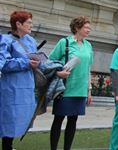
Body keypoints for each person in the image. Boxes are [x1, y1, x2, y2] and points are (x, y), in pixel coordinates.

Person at [48, 16, 94, 150]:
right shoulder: (65, 42)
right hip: (65, 88)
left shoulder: (88, 45)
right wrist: (58, 73)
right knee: (58, 119)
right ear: (76, 28)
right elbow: (50, 62)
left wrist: (89, 90)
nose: (88, 30)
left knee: (73, 121)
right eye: (86, 27)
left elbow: (88, 69)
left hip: (80, 89)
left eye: (89, 28)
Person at [0, 11, 38, 150]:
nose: (31, 26)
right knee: (8, 118)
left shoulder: (31, 41)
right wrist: (26, 63)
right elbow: (4, 64)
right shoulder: (5, 40)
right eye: (28, 22)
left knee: (20, 118)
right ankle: (7, 146)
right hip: (11, 87)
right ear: (18, 24)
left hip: (27, 86)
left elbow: (36, 59)